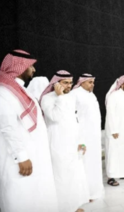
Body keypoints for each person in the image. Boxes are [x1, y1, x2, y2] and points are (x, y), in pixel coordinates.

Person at [0, 50, 58, 212]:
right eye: (31, 66)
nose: (33, 70)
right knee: (20, 196)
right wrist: (21, 156)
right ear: (19, 68)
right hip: (18, 159)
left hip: (34, 155)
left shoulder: (20, 91)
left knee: (36, 196)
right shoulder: (4, 93)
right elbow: (7, 127)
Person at [40, 70, 89, 212]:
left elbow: (75, 120)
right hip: (57, 142)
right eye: (65, 83)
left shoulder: (71, 97)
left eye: (70, 83)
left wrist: (81, 141)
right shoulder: (47, 98)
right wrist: (60, 97)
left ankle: (73, 206)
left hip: (72, 142)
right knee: (61, 175)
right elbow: (54, 117)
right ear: (56, 83)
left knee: (74, 174)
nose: (69, 86)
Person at [72, 73, 104, 200]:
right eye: (90, 82)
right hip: (83, 136)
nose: (93, 84)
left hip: (94, 136)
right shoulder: (75, 94)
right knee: (84, 163)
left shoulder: (91, 95)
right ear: (82, 82)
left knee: (94, 163)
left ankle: (95, 190)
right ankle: (85, 193)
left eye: (93, 82)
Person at [104, 75, 124, 185]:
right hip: (116, 131)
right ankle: (111, 177)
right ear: (121, 84)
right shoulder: (114, 95)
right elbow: (110, 113)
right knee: (113, 152)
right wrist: (113, 130)